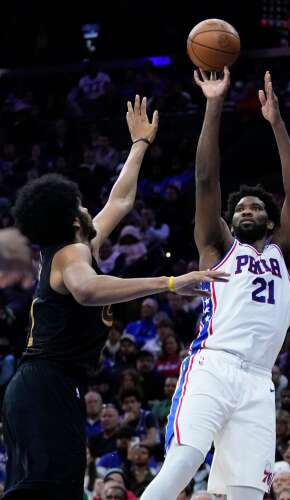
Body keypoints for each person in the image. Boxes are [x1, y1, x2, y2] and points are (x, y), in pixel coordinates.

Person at [2, 95, 228, 500]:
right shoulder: (71, 255)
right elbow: (87, 290)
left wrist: (139, 145)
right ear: (74, 220)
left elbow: (120, 201)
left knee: (55, 486)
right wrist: (170, 283)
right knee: (46, 487)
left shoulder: (80, 245)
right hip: (45, 382)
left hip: (46, 384)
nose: (90, 207)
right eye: (81, 205)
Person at [141, 68, 290, 500]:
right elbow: (205, 181)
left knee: (247, 493)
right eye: (240, 209)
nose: (246, 211)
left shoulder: (283, 255)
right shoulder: (217, 246)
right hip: (213, 366)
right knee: (181, 465)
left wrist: (277, 123)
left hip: (258, 381)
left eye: (255, 208)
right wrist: (214, 103)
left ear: (270, 222)